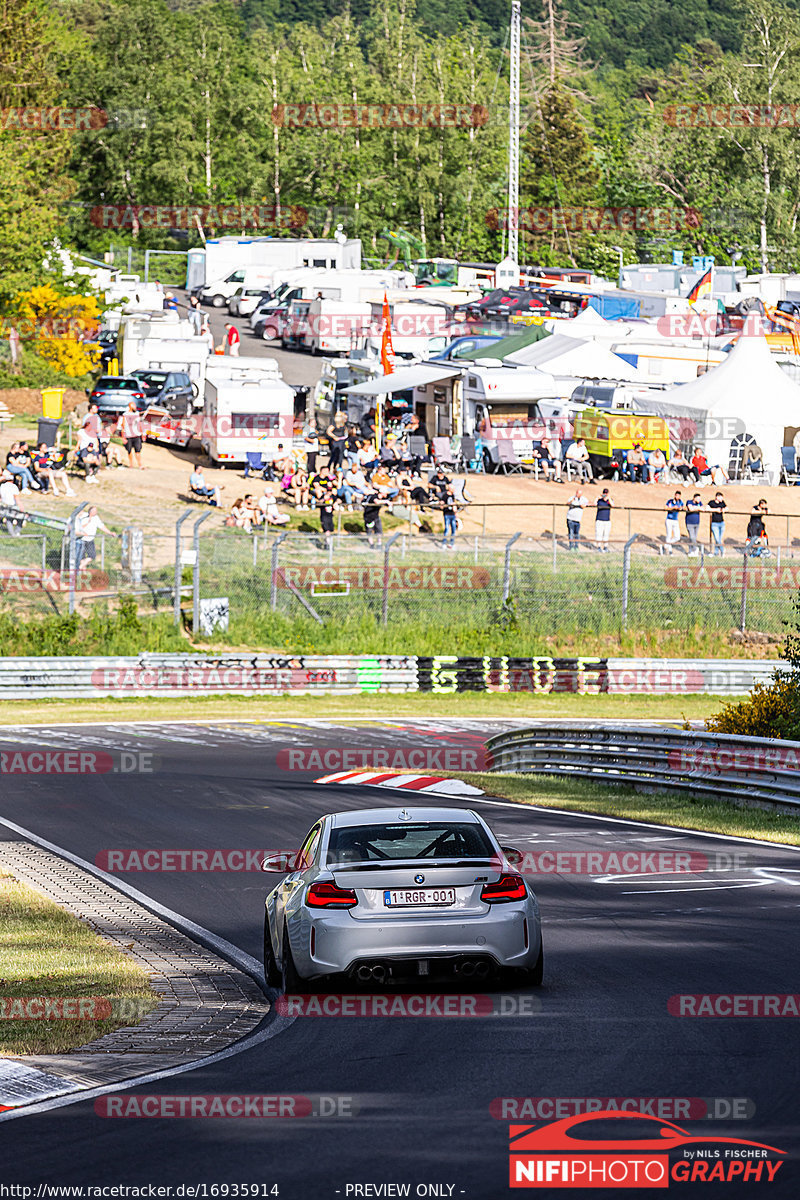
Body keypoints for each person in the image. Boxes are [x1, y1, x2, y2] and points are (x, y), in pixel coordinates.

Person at [74, 505, 116, 571]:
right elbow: (79, 526)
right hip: (82, 539)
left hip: (90, 540)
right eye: (94, 511)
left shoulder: (96, 518)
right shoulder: (83, 516)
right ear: (90, 511)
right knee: (82, 558)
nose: (96, 512)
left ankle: (79, 568)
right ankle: (82, 575)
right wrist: (87, 522)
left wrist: (110, 533)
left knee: (92, 556)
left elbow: (102, 526)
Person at [116, 400, 145, 470]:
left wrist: (142, 433)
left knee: (138, 451)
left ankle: (140, 465)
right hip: (128, 436)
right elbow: (123, 426)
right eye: (134, 405)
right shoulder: (125, 415)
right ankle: (131, 464)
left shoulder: (137, 414)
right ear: (130, 406)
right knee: (129, 451)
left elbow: (139, 424)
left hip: (136, 435)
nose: (135, 407)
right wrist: (123, 437)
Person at [708, 491, 727, 556]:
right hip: (714, 524)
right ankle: (722, 550)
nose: (722, 499)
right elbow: (707, 508)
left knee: (719, 539)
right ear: (717, 497)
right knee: (717, 538)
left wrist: (724, 509)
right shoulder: (711, 502)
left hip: (721, 523)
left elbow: (727, 508)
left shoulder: (722, 503)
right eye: (721, 497)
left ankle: (716, 553)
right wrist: (716, 510)